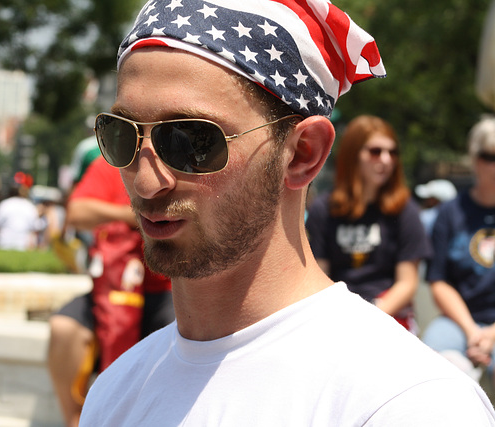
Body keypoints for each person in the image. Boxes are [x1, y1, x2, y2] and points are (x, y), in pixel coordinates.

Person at [79, 1, 495, 425]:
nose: (147, 182)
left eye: (191, 141)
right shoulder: (114, 393)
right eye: (121, 134)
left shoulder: (406, 402)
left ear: (302, 154)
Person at [47, 157, 174, 427]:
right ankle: (76, 419)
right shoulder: (111, 166)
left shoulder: (176, 161)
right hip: (112, 286)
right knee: (62, 327)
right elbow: (77, 212)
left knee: (177, 332)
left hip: (166, 288)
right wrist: (130, 214)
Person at [306, 115, 430, 333]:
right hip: (337, 312)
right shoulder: (323, 210)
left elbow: (407, 283)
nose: (386, 160)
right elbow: (320, 277)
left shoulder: (405, 210)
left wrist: (369, 316)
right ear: (353, 155)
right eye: (375, 151)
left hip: (387, 312)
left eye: (392, 152)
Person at [422, 115, 495, 385]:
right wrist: (473, 331)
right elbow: (438, 280)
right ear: (475, 158)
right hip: (458, 322)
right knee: (431, 365)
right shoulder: (450, 213)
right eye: (491, 157)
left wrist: (491, 335)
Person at [0, 176, 41, 251]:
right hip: (22, 247)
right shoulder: (30, 207)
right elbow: (35, 230)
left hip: (3, 245)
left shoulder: (4, 204)